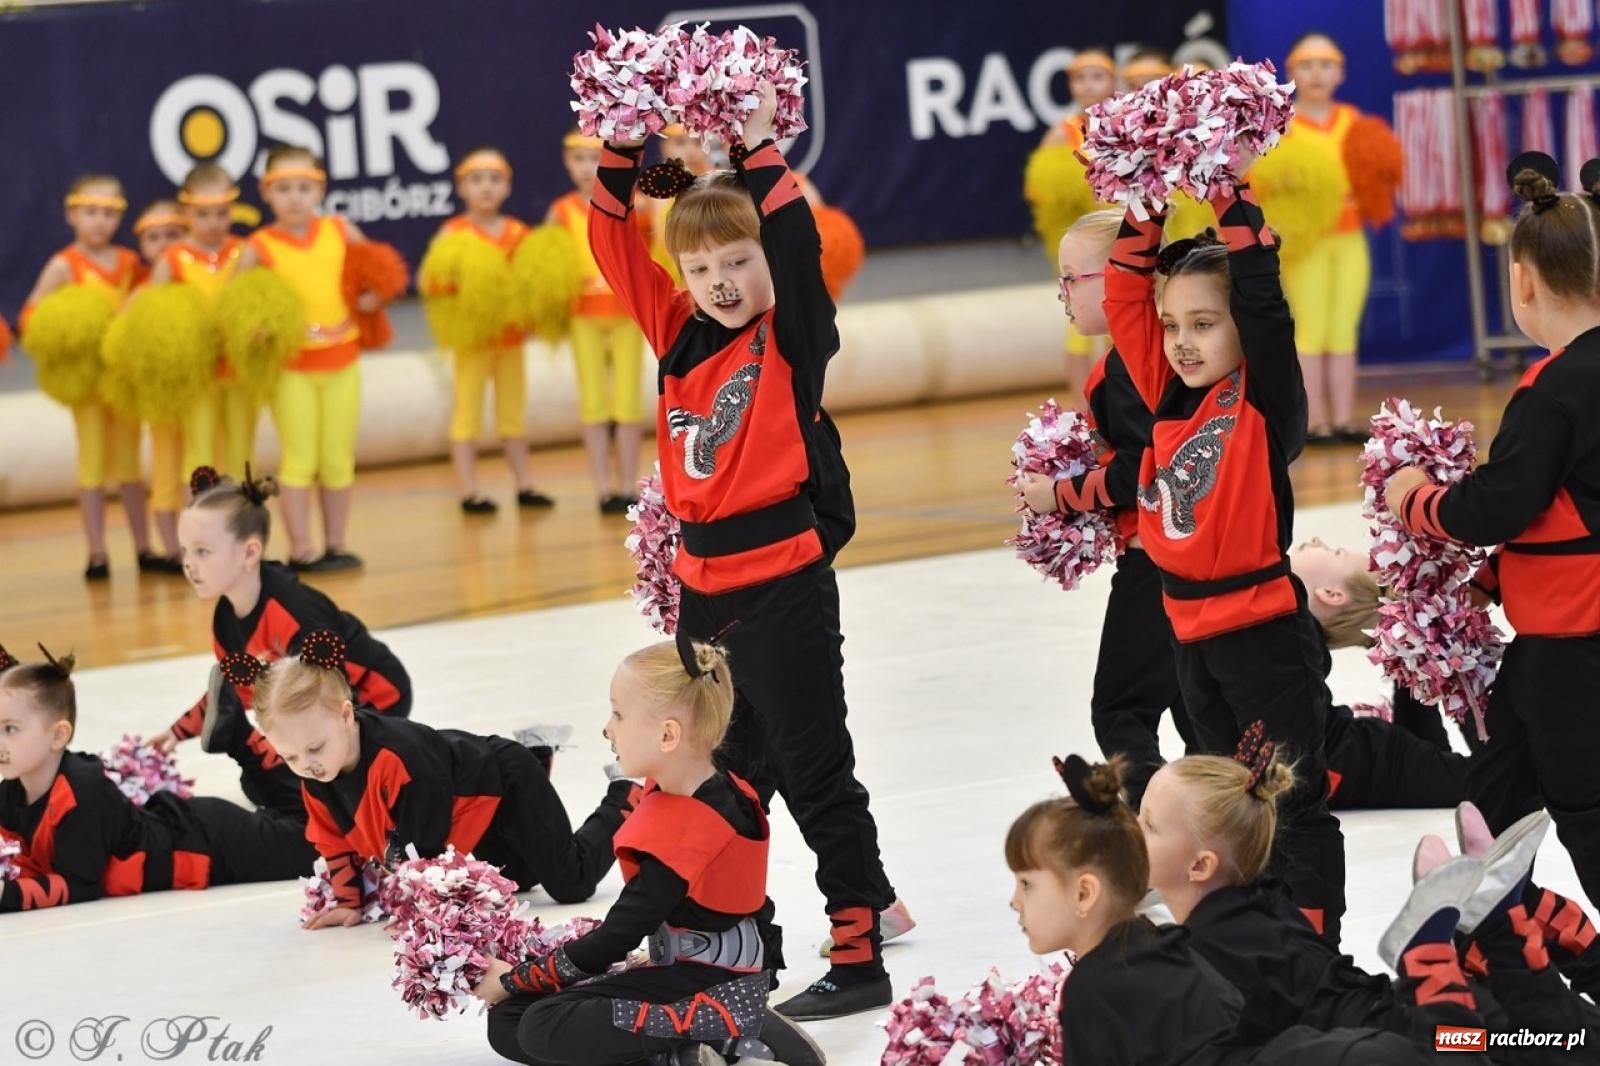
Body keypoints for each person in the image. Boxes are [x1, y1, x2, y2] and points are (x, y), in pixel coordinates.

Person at [588, 84, 904, 1017]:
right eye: (700, 267)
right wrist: (620, 148)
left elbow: (800, 252)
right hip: (703, 594)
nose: (720, 281)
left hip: (783, 587)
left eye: (738, 260)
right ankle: (739, 943)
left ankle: (860, 953)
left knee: (815, 768)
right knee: (728, 774)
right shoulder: (676, 333)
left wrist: (761, 149)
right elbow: (612, 242)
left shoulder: (791, 336)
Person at [475, 638, 824, 1066]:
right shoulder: (701, 788)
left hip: (714, 981)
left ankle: (725, 1023)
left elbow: (616, 937)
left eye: (619, 714)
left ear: (667, 734)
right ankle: (684, 1053)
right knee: (509, 1022)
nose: (607, 729)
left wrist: (513, 980)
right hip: (700, 969)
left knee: (539, 1024)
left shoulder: (691, 826)